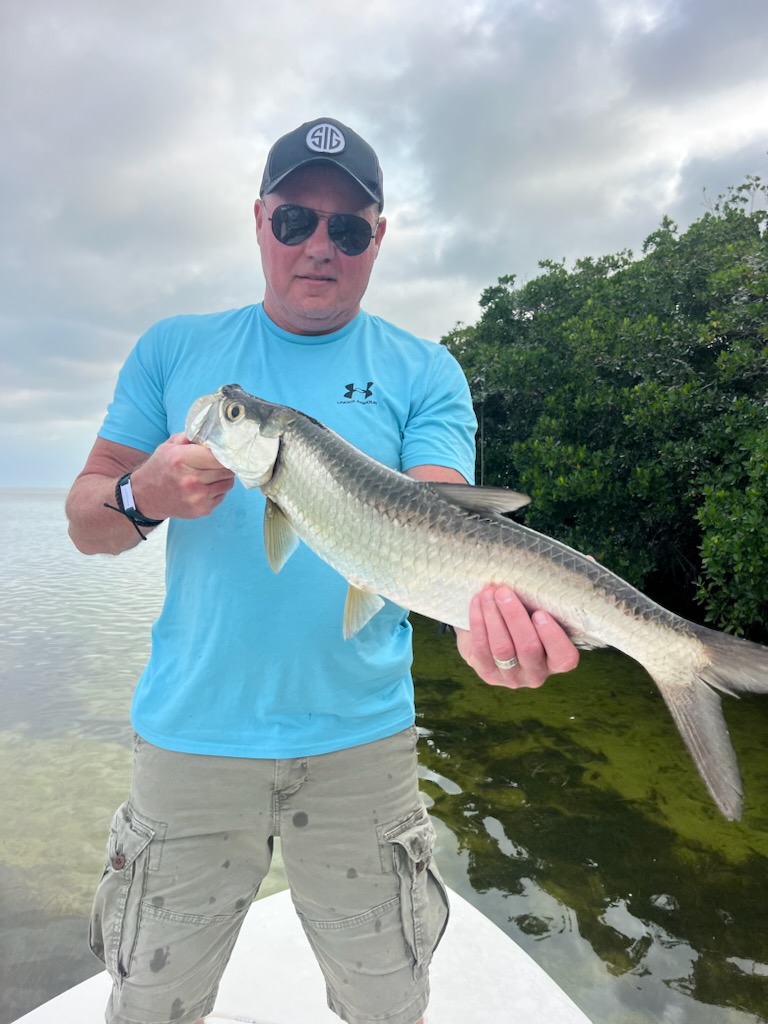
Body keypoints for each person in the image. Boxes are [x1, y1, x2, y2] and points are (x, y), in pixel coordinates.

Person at [66, 116, 580, 1024]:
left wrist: (487, 625)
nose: (319, 246)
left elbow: (435, 521)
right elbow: (85, 524)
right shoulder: (170, 347)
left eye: (348, 228)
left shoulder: (426, 371)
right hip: (191, 740)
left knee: (386, 1002)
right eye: (296, 219)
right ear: (259, 219)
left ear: (376, 240)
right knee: (152, 1001)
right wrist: (140, 496)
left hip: (363, 746)